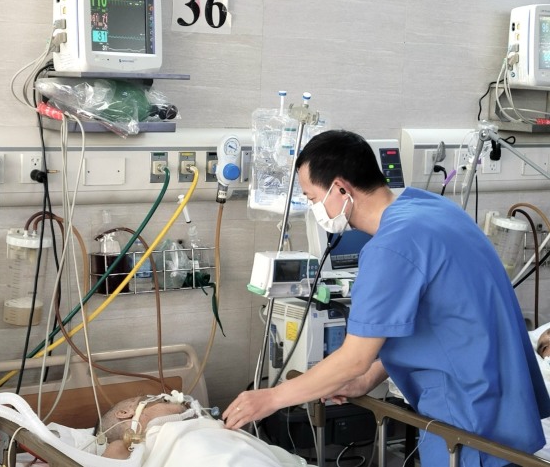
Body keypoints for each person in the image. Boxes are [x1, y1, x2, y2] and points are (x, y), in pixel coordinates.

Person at [222, 130, 550, 467]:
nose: (313, 207)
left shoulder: (390, 247)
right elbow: (439, 321)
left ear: (340, 188)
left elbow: (354, 358)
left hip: (469, 417)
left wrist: (270, 398)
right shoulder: (433, 209)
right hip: (505, 402)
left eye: (311, 197)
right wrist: (368, 378)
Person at [97, 393, 304, 465]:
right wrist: (116, 445)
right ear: (126, 412)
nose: (164, 395)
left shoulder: (208, 426)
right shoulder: (130, 444)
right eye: (154, 397)